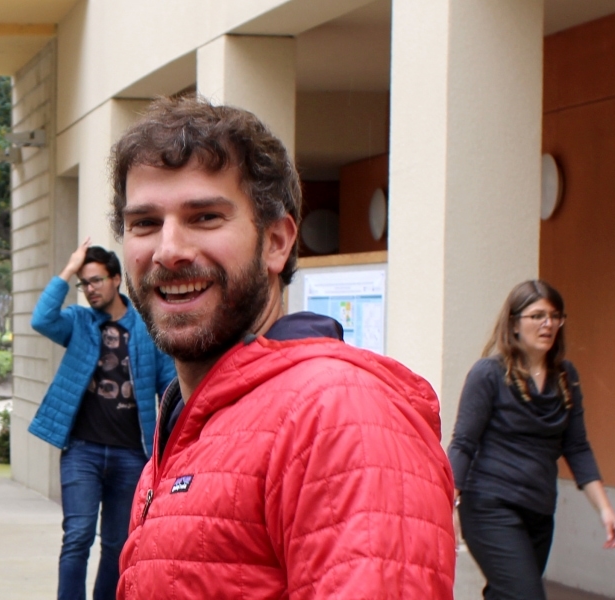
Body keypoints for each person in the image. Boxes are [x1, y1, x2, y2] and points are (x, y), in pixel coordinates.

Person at [111, 96, 456, 598]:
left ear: (277, 241)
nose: (168, 250)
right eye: (144, 223)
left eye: (204, 217)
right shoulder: (192, 416)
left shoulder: (339, 415)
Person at [448, 280, 615, 600]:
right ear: (514, 323)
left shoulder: (565, 377)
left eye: (555, 316)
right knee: (525, 595)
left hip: (539, 509)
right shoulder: (488, 373)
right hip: (490, 505)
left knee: (508, 594)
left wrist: (605, 509)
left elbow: (576, 446)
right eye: (538, 316)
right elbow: (463, 443)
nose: (548, 324)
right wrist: (446, 504)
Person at [29, 243, 176, 600]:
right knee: (77, 536)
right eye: (84, 283)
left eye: (96, 280)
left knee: (116, 544)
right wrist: (68, 269)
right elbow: (41, 319)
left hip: (130, 454)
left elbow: (170, 386)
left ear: (115, 279)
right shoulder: (79, 323)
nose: (90, 289)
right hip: (83, 451)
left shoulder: (145, 328)